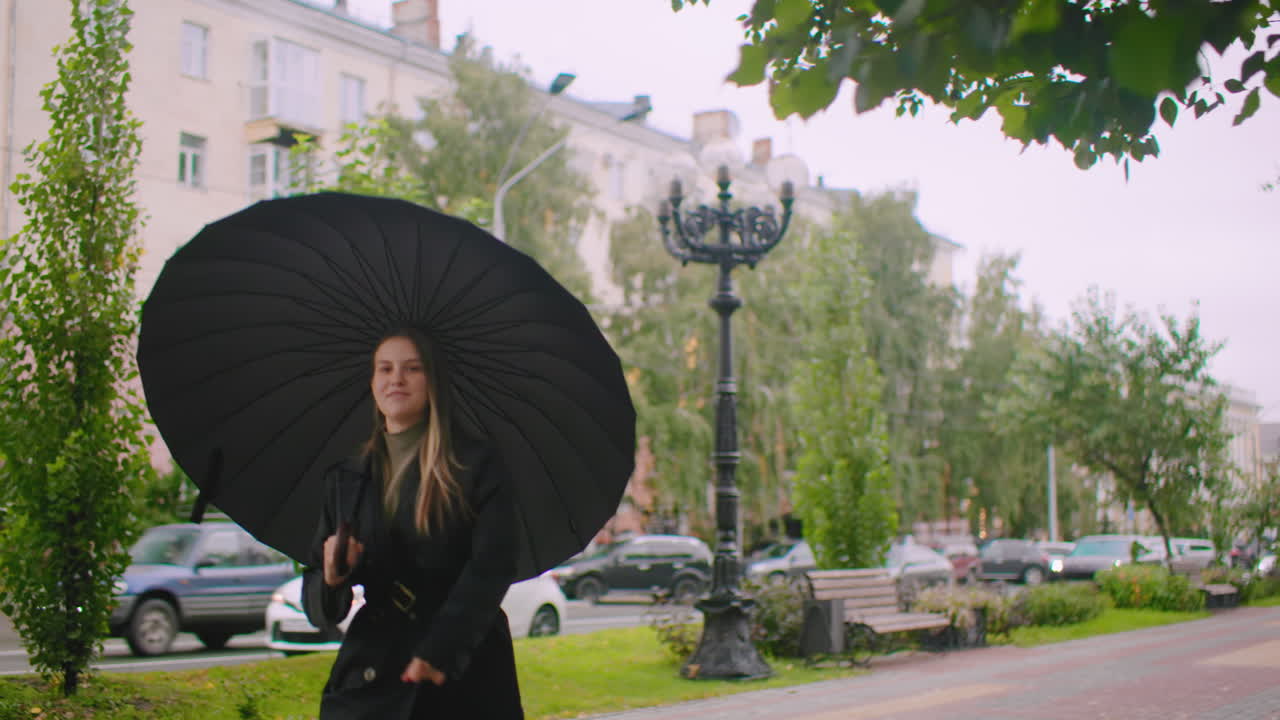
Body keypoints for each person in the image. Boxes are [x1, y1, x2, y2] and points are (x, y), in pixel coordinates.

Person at [302, 328, 523, 719]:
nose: (396, 379)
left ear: (432, 380)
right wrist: (333, 579)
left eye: (412, 368)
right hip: (377, 665)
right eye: (384, 368)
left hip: (464, 667)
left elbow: (492, 565)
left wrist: (440, 650)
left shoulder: (474, 465)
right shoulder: (347, 479)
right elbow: (320, 607)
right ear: (373, 382)